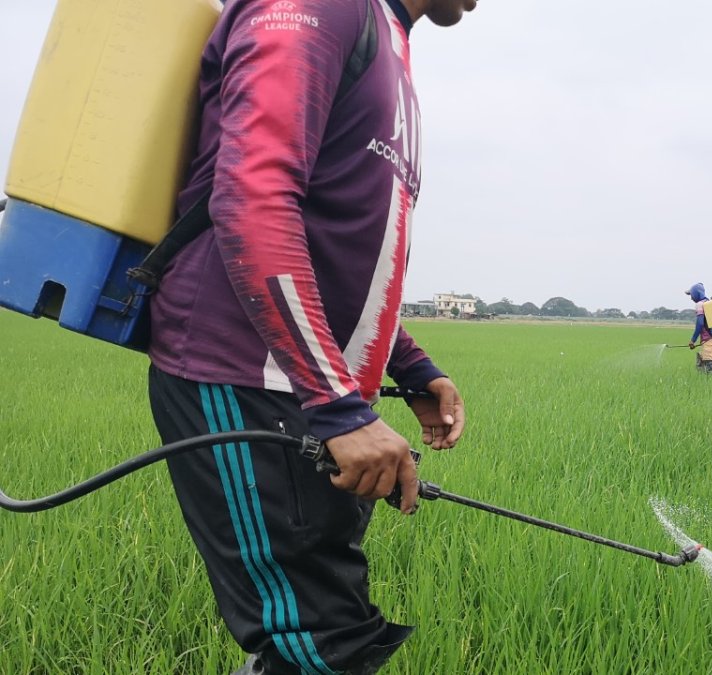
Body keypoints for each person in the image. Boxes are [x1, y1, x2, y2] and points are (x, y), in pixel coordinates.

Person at [146, 1, 475, 673]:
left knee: (316, 643)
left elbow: (342, 247)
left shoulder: (389, 41)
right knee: (321, 648)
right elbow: (254, 195)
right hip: (243, 376)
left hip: (308, 397)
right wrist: (339, 404)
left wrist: (409, 366)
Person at [686, 282, 712, 373]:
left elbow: (700, 324)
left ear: (696, 293)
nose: (691, 298)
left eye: (692, 295)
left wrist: (693, 340)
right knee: (701, 360)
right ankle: (702, 381)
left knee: (710, 367)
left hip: (708, 339)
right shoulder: (708, 303)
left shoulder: (700, 304)